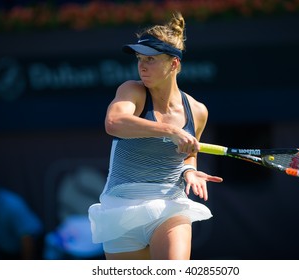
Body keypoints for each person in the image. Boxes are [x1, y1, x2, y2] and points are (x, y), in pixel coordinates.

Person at [88, 12, 223, 260]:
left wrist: (189, 170)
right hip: (120, 207)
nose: (142, 65)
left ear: (174, 64)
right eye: (140, 58)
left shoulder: (197, 110)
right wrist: (170, 130)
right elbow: (114, 122)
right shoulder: (132, 91)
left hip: (169, 202)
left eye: (150, 59)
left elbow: (189, 153)